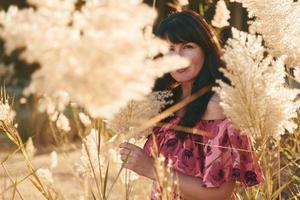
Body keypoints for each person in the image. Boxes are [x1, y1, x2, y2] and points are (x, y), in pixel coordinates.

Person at [119, 10, 264, 200]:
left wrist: (152, 169)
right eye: (170, 49)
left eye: (187, 46)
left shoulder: (217, 105)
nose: (177, 57)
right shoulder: (169, 99)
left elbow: (219, 193)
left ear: (206, 49)